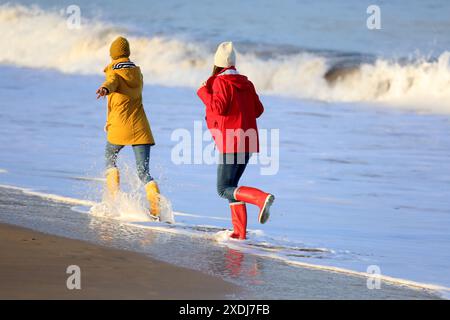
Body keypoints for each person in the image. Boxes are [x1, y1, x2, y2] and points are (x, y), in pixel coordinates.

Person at [197, 42, 275, 240]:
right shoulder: (246, 83)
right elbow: (259, 110)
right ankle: (239, 233)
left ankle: (260, 198)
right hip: (247, 140)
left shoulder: (219, 82)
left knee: (223, 189)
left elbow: (219, 108)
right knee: (233, 186)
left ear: (217, 64)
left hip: (231, 140)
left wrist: (204, 93)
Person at [96, 36, 160, 218]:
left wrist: (104, 89)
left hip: (120, 126)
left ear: (113, 54)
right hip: (141, 128)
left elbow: (111, 82)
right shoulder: (137, 73)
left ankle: (113, 199)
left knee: (110, 159)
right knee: (143, 172)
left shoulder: (113, 72)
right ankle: (155, 208)